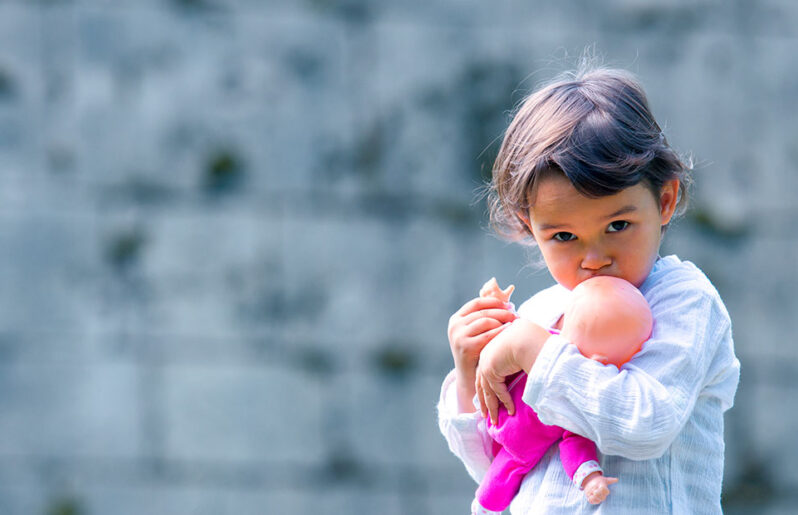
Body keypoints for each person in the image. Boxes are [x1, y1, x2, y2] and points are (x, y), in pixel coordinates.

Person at [439, 65, 740, 514]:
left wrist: (537, 354)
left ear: (665, 201)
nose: (594, 258)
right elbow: (501, 464)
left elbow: (647, 423)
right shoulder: (539, 316)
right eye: (563, 237)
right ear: (529, 227)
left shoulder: (684, 300)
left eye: (618, 225)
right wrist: (470, 375)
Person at [472, 276, 651, 514]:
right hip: (495, 409)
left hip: (520, 444)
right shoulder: (542, 336)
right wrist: (497, 305)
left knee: (503, 474)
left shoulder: (575, 397)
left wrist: (589, 478)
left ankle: (483, 507)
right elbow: (511, 332)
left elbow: (575, 445)